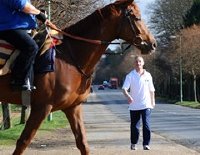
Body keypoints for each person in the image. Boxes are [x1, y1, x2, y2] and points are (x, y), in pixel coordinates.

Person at [0, 0, 47, 91]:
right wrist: (39, 13)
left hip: (17, 27)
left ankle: (29, 80)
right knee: (31, 47)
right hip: (9, 27)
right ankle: (18, 81)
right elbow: (23, 6)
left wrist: (37, 13)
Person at [122, 55, 155, 150]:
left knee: (146, 125)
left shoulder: (148, 75)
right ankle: (133, 143)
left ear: (143, 63)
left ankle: (146, 144)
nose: (138, 63)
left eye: (140, 61)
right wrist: (128, 97)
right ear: (134, 64)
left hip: (146, 104)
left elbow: (151, 90)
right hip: (134, 105)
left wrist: (153, 101)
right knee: (135, 127)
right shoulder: (130, 75)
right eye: (136, 62)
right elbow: (124, 89)